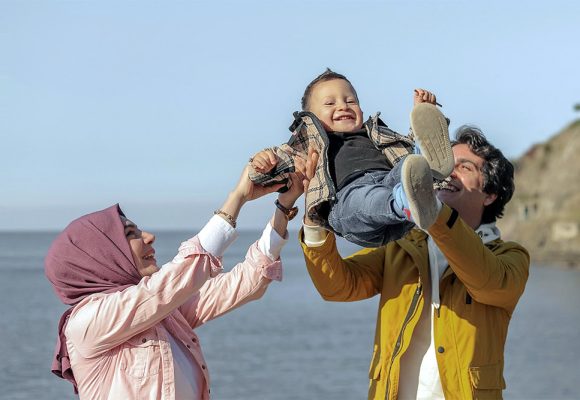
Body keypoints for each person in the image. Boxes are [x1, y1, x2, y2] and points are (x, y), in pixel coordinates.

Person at [299, 126, 530, 399]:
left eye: (464, 167)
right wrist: (315, 221)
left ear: (490, 193)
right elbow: (337, 286)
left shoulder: (510, 258)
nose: (448, 171)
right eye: (443, 163)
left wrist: (434, 213)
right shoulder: (401, 247)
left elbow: (485, 281)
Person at [44, 163, 305, 400]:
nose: (148, 237)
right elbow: (179, 277)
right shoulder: (87, 322)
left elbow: (246, 282)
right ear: (101, 255)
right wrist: (237, 197)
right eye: (130, 234)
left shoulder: (162, 313)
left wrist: (282, 208)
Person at [248, 68, 454, 248]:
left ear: (361, 109)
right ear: (310, 118)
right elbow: (277, 165)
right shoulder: (309, 144)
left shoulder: (377, 134)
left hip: (390, 184)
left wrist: (423, 113)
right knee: (366, 199)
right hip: (347, 201)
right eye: (330, 103)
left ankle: (424, 169)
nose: (343, 106)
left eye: (350, 101)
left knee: (407, 165)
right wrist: (262, 164)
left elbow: (404, 147)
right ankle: (407, 200)